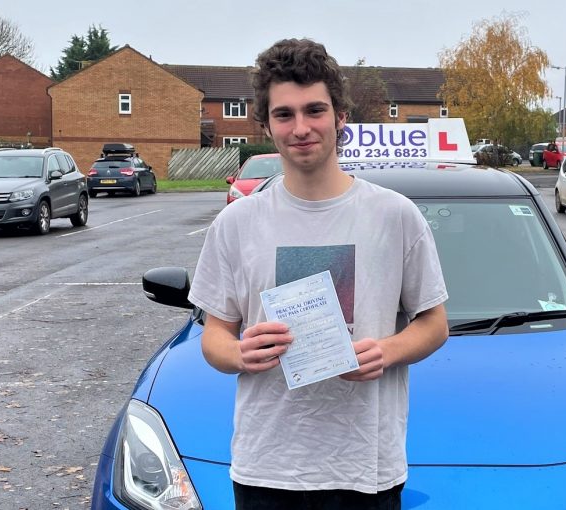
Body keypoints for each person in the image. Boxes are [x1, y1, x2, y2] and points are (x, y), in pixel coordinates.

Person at [188, 38, 449, 510]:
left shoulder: (395, 216)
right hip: (267, 466)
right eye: (284, 115)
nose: (301, 128)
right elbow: (214, 339)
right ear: (266, 124)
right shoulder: (236, 223)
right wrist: (240, 353)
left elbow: (434, 324)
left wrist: (386, 351)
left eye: (315, 110)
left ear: (340, 116)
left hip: (365, 466)